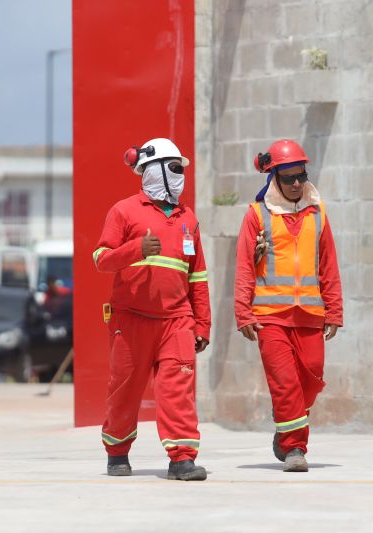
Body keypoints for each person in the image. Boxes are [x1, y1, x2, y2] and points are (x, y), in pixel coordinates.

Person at [93, 137, 211, 481]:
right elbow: (101, 259)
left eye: (181, 170)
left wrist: (202, 324)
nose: (180, 176)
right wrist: (136, 249)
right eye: (174, 168)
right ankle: (117, 451)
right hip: (131, 319)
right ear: (154, 170)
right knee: (125, 389)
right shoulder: (124, 211)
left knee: (178, 390)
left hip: (177, 320)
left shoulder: (188, 217)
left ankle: (182, 458)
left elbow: (198, 276)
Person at [234, 139, 343, 472]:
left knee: (312, 379)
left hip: (311, 314)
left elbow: (329, 265)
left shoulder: (318, 214)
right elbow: (243, 266)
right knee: (285, 383)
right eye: (289, 178)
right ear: (274, 179)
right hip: (270, 317)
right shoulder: (256, 216)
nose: (297, 184)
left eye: (301, 176)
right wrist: (243, 312)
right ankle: (295, 448)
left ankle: (286, 418)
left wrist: (335, 310)